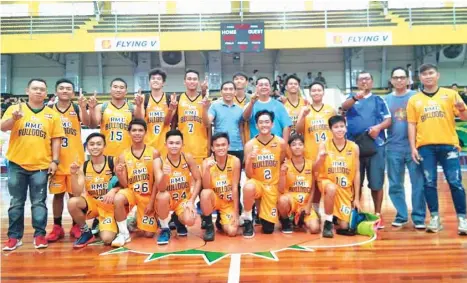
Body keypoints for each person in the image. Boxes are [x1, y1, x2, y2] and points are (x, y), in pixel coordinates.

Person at [1, 79, 65, 251]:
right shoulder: (15, 109)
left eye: (42, 89)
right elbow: (3, 127)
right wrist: (13, 120)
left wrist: (55, 160)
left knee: (39, 203)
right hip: (17, 164)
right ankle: (14, 237)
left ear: (46, 93)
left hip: (41, 166)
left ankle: (39, 235)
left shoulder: (52, 115)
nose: (38, 92)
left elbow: (56, 139)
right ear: (27, 90)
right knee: (16, 202)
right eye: (35, 88)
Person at [407, 63, 467, 235]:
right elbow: (412, 124)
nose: (428, 76)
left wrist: (462, 109)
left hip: (448, 145)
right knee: (429, 182)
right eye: (424, 74)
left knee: (455, 182)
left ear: (437, 75)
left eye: (431, 73)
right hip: (425, 147)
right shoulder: (414, 100)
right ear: (420, 78)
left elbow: (464, 116)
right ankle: (434, 218)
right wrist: (413, 147)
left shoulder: (451, 95)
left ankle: (463, 219)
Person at [341, 71, 391, 228]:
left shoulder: (379, 100)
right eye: (361, 79)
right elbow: (343, 107)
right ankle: (356, 212)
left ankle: (377, 215)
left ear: (372, 82)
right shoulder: (351, 98)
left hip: (375, 146)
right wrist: (356, 97)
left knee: (377, 182)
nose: (364, 81)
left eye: (367, 79)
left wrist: (378, 127)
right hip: (354, 147)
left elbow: (388, 119)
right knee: (355, 183)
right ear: (357, 82)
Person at [46, 79, 91, 243]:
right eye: (61, 88)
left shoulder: (77, 108)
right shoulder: (49, 109)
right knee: (57, 195)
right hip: (56, 159)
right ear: (56, 91)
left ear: (72, 93)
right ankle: (57, 227)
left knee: (75, 194)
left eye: (68, 88)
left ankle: (76, 225)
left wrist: (85, 108)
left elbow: (87, 123)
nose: (65, 91)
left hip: (75, 159)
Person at [385, 67, 426, 228]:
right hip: (393, 148)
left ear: (408, 80)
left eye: (402, 77)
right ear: (391, 80)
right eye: (396, 77)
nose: (399, 80)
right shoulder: (386, 99)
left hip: (414, 148)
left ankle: (419, 217)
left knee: (418, 183)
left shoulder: (417, 97)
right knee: (395, 184)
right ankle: (401, 215)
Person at [111, 119, 160, 247]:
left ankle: (135, 219)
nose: (137, 133)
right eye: (134, 130)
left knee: (148, 234)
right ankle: (123, 233)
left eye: (140, 130)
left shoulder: (154, 153)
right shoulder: (123, 155)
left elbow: (156, 181)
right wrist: (119, 174)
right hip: (132, 192)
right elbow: (125, 184)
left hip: (147, 195)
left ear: (145, 133)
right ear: (129, 133)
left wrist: (151, 201)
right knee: (118, 198)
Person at [67, 133, 118, 248]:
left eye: (99, 144)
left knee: (107, 239)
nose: (95, 147)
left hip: (109, 206)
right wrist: (73, 175)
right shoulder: (84, 166)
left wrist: (113, 190)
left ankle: (109, 223)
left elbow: (124, 184)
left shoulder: (112, 161)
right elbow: (76, 193)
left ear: (104, 146)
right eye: (92, 144)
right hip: (93, 204)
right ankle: (86, 232)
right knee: (72, 202)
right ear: (87, 147)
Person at [242, 110, 287, 238]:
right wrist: (250, 160)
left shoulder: (281, 143)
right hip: (258, 184)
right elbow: (249, 175)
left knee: (268, 229)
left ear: (272, 124)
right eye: (261, 122)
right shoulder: (250, 145)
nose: (264, 125)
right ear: (256, 126)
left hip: (272, 186)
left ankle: (276, 215)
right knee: (248, 186)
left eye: (267, 122)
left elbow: (282, 162)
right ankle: (248, 219)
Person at [315, 115, 361, 238]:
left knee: (345, 227)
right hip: (327, 182)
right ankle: (328, 222)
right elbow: (315, 169)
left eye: (342, 126)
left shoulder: (354, 147)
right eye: (336, 127)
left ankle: (336, 216)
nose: (339, 129)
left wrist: (356, 198)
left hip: (345, 189)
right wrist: (320, 159)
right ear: (331, 130)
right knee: (331, 188)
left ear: (346, 128)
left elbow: (357, 173)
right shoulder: (324, 145)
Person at [296, 81, 336, 215]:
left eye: (319, 90)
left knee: (330, 181)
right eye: (314, 90)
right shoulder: (305, 109)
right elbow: (298, 130)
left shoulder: (330, 110)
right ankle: (315, 209)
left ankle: (333, 211)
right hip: (310, 152)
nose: (316, 93)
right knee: (313, 183)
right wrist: (303, 116)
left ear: (323, 92)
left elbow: (337, 129)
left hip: (328, 152)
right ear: (310, 93)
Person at [154, 130, 201, 245]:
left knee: (190, 220)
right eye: (171, 143)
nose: (174, 146)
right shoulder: (159, 161)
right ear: (165, 144)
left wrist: (191, 201)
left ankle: (178, 220)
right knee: (162, 196)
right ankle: (165, 228)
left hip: (182, 200)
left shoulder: (187, 158)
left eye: (177, 143)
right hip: (166, 200)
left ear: (182, 145)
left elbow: (198, 179)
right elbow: (161, 188)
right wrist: (165, 175)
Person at [89, 78, 144, 158]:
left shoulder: (132, 107)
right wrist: (91, 109)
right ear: (110, 89)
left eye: (121, 88)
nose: (118, 90)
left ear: (126, 91)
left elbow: (141, 123)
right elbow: (93, 125)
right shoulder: (101, 107)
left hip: (127, 154)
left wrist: (139, 106)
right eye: (115, 87)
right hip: (106, 153)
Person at [200, 132, 241, 241]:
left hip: (228, 202)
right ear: (212, 148)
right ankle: (209, 226)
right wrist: (207, 170)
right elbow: (206, 186)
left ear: (228, 145)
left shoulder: (235, 161)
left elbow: (235, 187)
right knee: (205, 193)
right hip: (215, 199)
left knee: (232, 232)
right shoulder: (206, 162)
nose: (221, 148)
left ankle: (220, 221)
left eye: (223, 145)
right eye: (217, 145)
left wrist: (236, 213)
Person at [277, 134, 320, 234]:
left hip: (305, 203)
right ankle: (286, 220)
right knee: (282, 200)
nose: (297, 147)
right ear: (289, 147)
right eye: (294, 144)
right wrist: (282, 174)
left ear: (304, 147)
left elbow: (313, 187)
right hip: (291, 202)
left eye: (300, 144)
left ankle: (300, 220)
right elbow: (281, 190)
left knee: (315, 229)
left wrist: (309, 205)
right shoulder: (285, 165)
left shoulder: (311, 164)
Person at [172, 69, 209, 167]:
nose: (192, 81)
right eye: (189, 79)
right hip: (182, 150)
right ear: (184, 81)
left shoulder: (205, 100)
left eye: (194, 79)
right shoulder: (179, 99)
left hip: (201, 149)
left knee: (200, 180)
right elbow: (174, 123)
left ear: (198, 82)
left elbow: (208, 126)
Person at [243, 77, 292, 142]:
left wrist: (284, 144)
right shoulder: (250, 104)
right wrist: (251, 103)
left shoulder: (279, 105)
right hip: (257, 146)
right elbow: (245, 118)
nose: (264, 87)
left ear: (270, 88)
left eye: (266, 85)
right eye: (261, 85)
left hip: (276, 145)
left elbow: (286, 126)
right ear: (256, 88)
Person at [143, 68, 177, 157]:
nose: (155, 81)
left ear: (163, 83)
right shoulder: (144, 98)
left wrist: (170, 109)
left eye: (158, 79)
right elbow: (139, 120)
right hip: (147, 143)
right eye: (153, 78)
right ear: (149, 81)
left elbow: (167, 122)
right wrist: (139, 105)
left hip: (165, 144)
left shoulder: (169, 98)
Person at [233, 72, 251, 148]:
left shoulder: (252, 99)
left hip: (249, 135)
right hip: (233, 137)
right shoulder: (227, 99)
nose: (239, 81)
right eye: (236, 79)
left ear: (246, 82)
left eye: (241, 79)